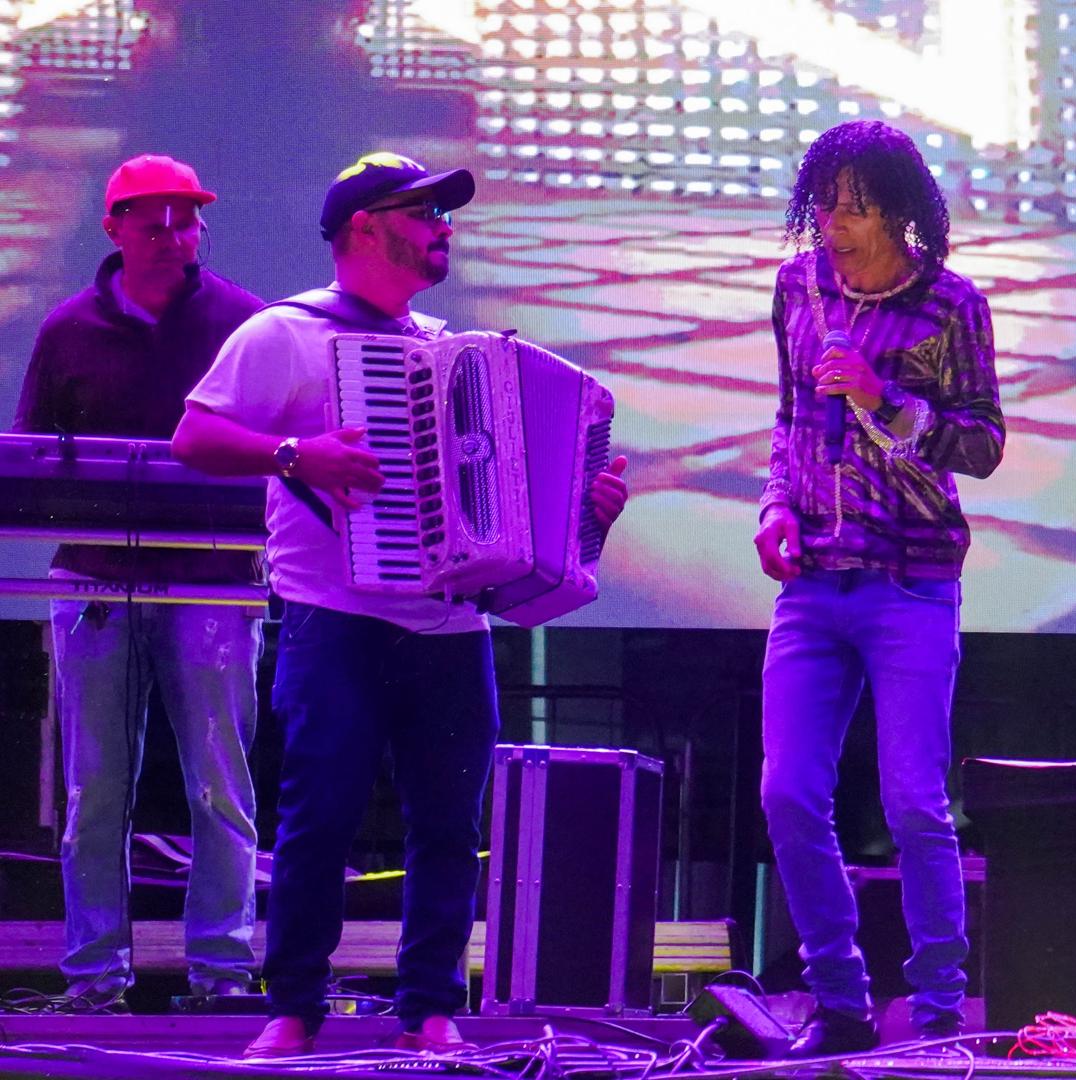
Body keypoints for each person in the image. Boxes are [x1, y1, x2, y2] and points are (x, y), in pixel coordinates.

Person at [171, 152, 629, 1057]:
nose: (442, 229)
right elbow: (194, 434)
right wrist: (295, 455)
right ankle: (293, 1007)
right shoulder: (284, 334)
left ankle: (428, 1008)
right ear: (365, 229)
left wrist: (584, 509)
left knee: (449, 827)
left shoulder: (450, 351)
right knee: (319, 818)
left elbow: (500, 495)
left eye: (442, 215)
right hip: (332, 618)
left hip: (450, 624)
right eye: (424, 214)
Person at [752, 119, 1005, 1055]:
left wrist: (882, 399)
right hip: (813, 581)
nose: (834, 226)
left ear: (898, 212)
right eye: (824, 206)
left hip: (912, 580)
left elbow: (982, 444)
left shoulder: (951, 304)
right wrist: (775, 507)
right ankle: (840, 1002)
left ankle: (938, 1016)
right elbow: (788, 418)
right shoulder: (797, 287)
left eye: (853, 209)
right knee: (788, 794)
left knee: (913, 805)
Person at [13, 154, 265, 1009]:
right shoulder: (67, 329)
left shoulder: (243, 322)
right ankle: (95, 979)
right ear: (113, 228)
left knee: (220, 787)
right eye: (152, 221)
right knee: (95, 792)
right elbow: (33, 456)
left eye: (184, 220)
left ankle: (222, 975)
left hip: (213, 585)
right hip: (96, 585)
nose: (170, 235)